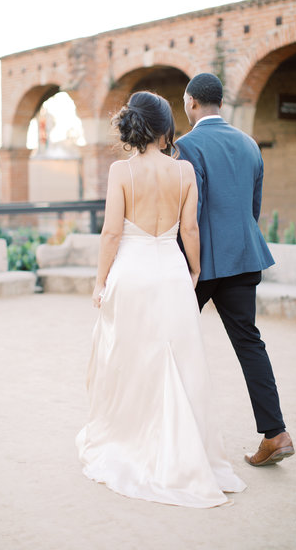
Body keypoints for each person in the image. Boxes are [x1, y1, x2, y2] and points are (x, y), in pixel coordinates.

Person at [76, 91, 246, 508]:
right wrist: (194, 269)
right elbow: (190, 230)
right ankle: (187, 456)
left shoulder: (121, 171)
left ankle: (132, 441)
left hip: (131, 274)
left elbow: (111, 233)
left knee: (130, 360)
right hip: (170, 271)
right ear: (167, 128)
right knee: (179, 360)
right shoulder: (184, 171)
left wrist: (100, 282)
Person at [176, 73, 295, 467]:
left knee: (170, 340)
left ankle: (172, 436)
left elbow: (190, 212)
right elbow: (253, 207)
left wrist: (185, 265)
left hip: (201, 264)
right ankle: (276, 434)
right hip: (244, 258)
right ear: (220, 103)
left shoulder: (186, 146)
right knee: (249, 343)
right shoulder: (249, 144)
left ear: (192, 103)